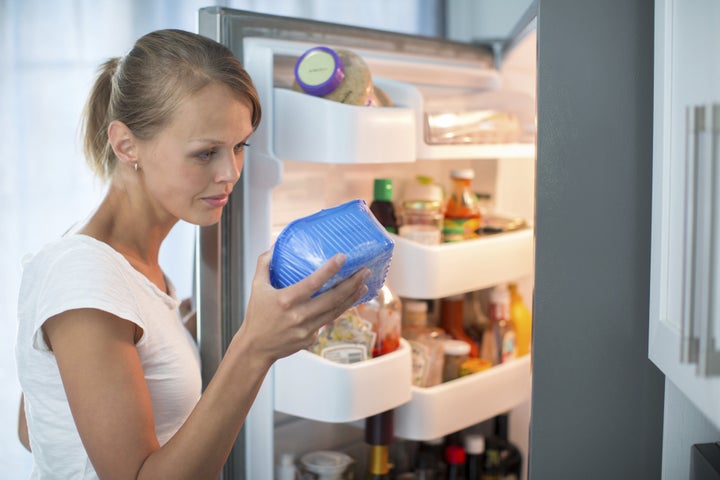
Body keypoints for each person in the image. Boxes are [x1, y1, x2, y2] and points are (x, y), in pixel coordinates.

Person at [15, 29, 370, 480]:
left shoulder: (126, 267)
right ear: (126, 145)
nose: (231, 173)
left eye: (240, 146)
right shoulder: (83, 277)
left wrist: (177, 333)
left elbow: (37, 425)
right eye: (205, 153)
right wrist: (255, 348)